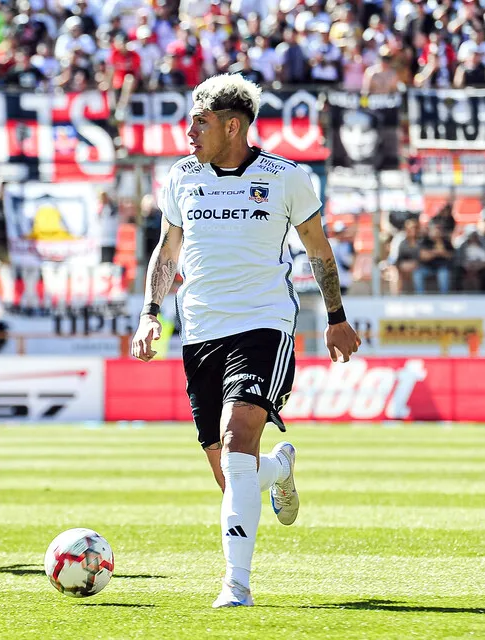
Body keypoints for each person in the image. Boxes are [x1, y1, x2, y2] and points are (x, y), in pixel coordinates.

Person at [130, 75, 360, 608]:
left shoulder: (285, 177)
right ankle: (278, 467)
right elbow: (166, 253)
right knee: (229, 473)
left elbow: (318, 251)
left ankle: (236, 585)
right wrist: (149, 315)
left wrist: (336, 315)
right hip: (200, 332)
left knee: (236, 443)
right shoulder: (182, 176)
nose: (188, 131)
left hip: (263, 325)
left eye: (200, 122)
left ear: (232, 126)